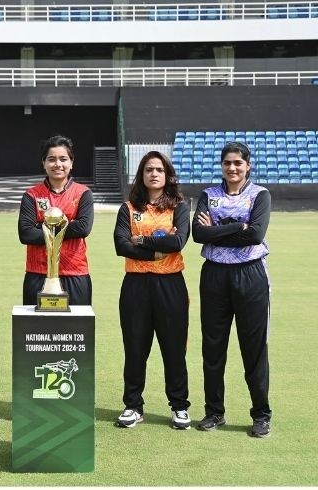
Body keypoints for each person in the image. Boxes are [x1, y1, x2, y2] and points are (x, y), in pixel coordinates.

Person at [192, 141, 273, 438]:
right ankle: (214, 411)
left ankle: (261, 414)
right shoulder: (209, 196)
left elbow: (256, 235)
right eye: (227, 162)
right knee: (213, 346)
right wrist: (238, 226)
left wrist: (217, 230)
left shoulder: (260, 195)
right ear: (221, 166)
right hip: (214, 274)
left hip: (250, 274)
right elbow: (198, 234)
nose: (232, 168)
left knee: (253, 347)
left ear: (248, 165)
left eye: (238, 162)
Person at [113, 151, 192, 429]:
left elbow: (178, 242)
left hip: (171, 283)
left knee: (174, 348)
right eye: (149, 170)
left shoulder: (179, 207)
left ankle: (179, 406)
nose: (154, 174)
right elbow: (121, 245)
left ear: (167, 175)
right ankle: (133, 405)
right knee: (135, 347)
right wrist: (156, 251)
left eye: (159, 170)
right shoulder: (128, 208)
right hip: (136, 285)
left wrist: (140, 240)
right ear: (142, 175)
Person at [18, 135, 94, 305]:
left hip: (75, 272)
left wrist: (41, 225)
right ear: (43, 163)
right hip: (38, 272)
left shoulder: (83, 193)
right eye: (51, 159)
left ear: (71, 162)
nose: (58, 164)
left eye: (63, 159)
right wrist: (69, 223)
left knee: (77, 323)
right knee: (36, 323)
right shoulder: (32, 195)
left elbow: (83, 228)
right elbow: (26, 234)